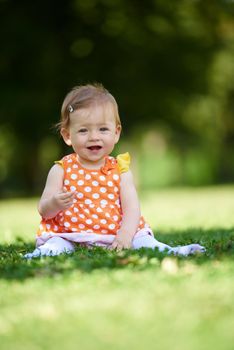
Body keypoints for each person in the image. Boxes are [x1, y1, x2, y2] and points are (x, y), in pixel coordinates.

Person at [24, 84, 205, 258]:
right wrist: (54, 204)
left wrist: (125, 236)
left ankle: (173, 251)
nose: (94, 137)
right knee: (56, 246)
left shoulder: (120, 170)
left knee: (144, 242)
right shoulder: (61, 169)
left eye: (103, 129)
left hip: (115, 231)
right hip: (70, 234)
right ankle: (38, 255)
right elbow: (44, 210)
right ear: (67, 136)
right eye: (83, 130)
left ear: (116, 133)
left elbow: (132, 208)